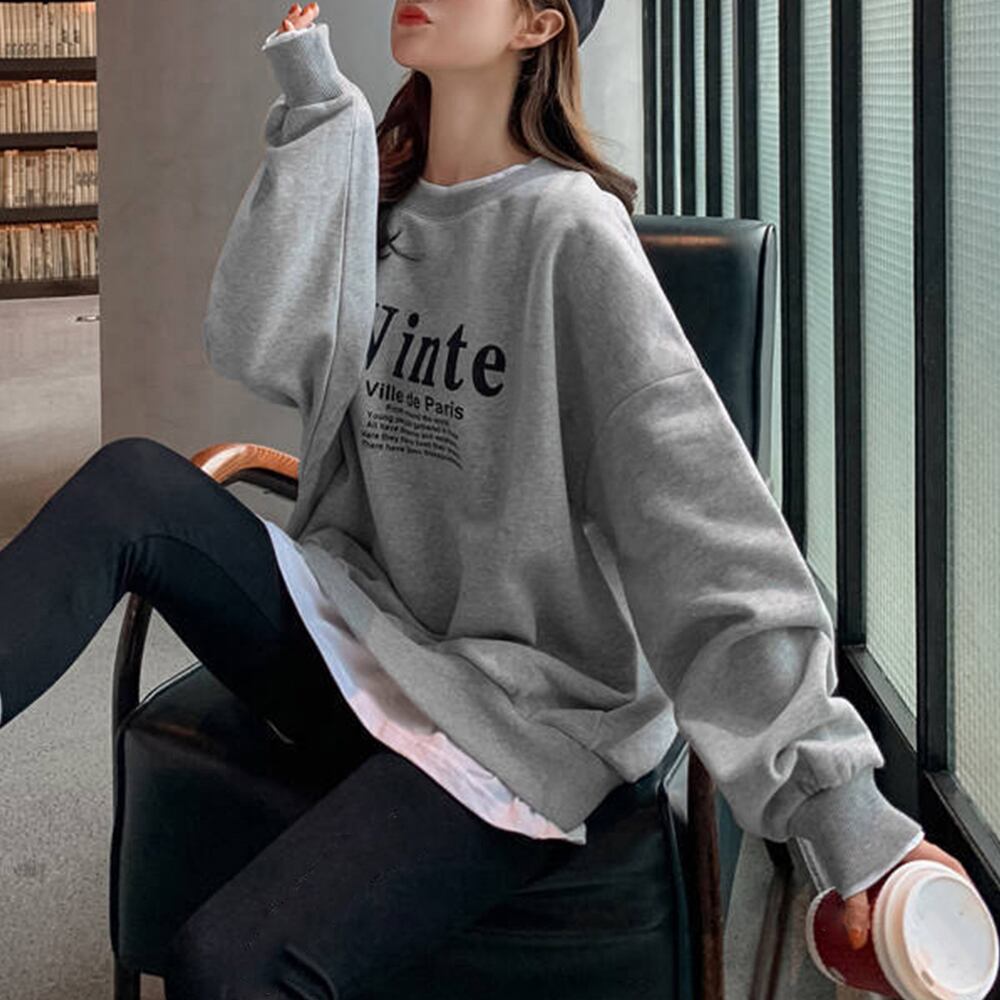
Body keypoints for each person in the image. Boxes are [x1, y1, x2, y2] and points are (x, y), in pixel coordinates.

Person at [0, 0, 970, 996]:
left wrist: (848, 819)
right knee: (133, 483)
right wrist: (317, 117)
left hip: (509, 717)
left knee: (225, 961)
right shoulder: (383, 201)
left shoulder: (571, 235)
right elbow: (252, 346)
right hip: (358, 640)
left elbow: (706, 532)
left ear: (536, 26)